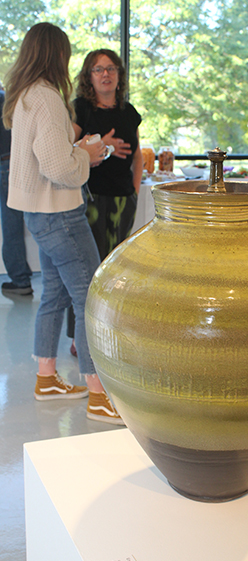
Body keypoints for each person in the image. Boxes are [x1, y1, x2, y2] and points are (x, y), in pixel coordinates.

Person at [2, 22, 124, 424]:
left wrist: (78, 150)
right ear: (58, 54)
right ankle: (99, 395)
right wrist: (87, 154)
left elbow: (46, 156)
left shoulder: (25, 95)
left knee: (54, 293)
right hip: (60, 215)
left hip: (39, 213)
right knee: (89, 297)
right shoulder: (48, 98)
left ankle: (47, 378)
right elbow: (58, 168)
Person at [66, 48, 143, 355]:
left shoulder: (128, 112)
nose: (106, 74)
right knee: (88, 271)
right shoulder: (81, 110)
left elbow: (137, 156)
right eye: (98, 69)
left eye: (111, 68)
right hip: (91, 199)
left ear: (119, 75)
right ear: (89, 76)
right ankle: (79, 337)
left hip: (123, 200)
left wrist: (134, 192)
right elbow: (67, 149)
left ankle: (108, 331)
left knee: (116, 271)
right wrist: (103, 145)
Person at [0, 86, 33, 295]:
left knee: (11, 225)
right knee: (16, 223)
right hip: (15, 162)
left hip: (5, 164)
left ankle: (20, 279)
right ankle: (21, 278)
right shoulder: (7, 98)